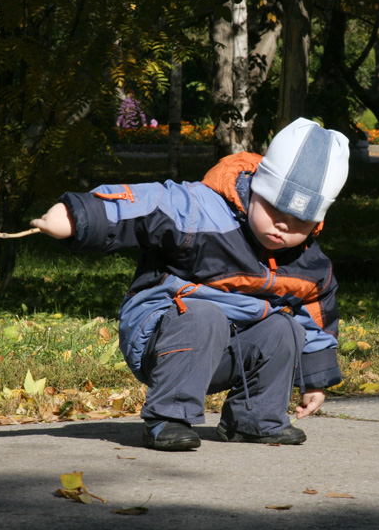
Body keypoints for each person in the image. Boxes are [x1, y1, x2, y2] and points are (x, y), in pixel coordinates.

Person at [31, 117, 350, 451]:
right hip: (162, 335)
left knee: (283, 328)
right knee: (205, 315)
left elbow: (316, 318)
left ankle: (255, 419)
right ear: (256, 187)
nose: (283, 224)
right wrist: (79, 217)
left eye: (301, 220)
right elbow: (143, 205)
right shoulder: (201, 211)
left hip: (226, 350)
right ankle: (167, 417)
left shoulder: (308, 262)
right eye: (275, 207)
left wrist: (315, 378)